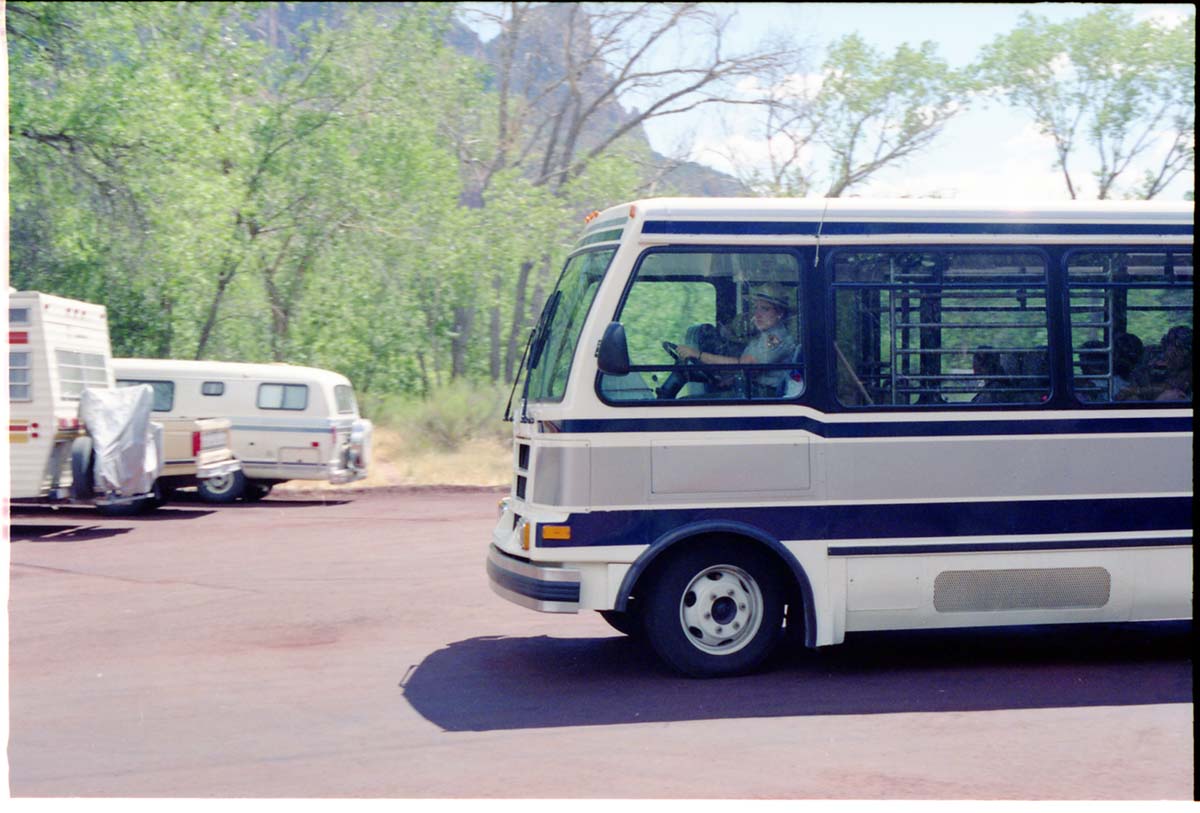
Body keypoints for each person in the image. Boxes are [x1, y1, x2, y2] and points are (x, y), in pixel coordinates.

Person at [669, 283, 797, 398]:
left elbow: (744, 365)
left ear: (780, 313)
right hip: (751, 391)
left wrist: (698, 355)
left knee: (687, 403)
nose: (757, 314)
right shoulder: (763, 336)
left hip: (764, 396)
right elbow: (752, 371)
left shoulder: (777, 338)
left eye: (764, 309)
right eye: (756, 308)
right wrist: (727, 381)